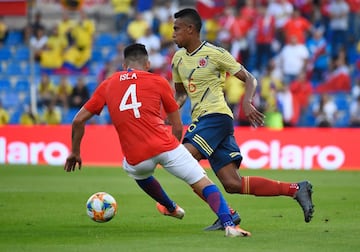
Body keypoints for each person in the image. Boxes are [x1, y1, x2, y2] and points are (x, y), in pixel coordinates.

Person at [64, 43, 251, 238]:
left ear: (123, 64)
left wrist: (75, 152)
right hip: (166, 145)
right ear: (148, 63)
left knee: (136, 172)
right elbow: (177, 126)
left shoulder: (108, 84)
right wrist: (174, 155)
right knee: (203, 182)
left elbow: (78, 120)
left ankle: (170, 207)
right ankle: (229, 225)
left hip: (136, 156)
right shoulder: (159, 82)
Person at [171, 8, 314, 230]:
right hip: (203, 119)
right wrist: (169, 112)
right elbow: (180, 94)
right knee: (232, 183)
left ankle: (224, 213)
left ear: (190, 29)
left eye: (176, 29)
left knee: (183, 161)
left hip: (216, 116)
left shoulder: (215, 54)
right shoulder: (178, 59)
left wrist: (247, 102)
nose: (173, 34)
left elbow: (250, 78)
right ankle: (296, 189)